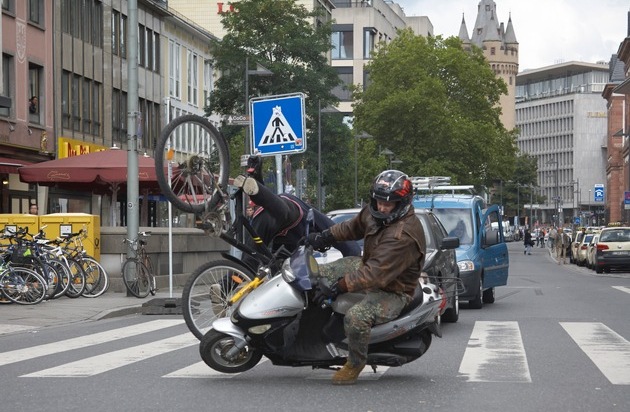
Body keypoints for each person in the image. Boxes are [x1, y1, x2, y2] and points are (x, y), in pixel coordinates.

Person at [307, 170, 426, 385]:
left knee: (356, 317)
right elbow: (352, 227)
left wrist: (338, 287)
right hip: (368, 268)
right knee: (320, 272)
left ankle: (355, 362)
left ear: (402, 203)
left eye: (388, 204)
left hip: (393, 290)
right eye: (378, 201)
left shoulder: (403, 235)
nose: (381, 207)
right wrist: (324, 236)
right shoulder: (375, 213)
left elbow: (375, 274)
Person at [232, 156, 361, 270]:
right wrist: (346, 274)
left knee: (248, 266)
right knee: (285, 213)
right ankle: (258, 188)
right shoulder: (321, 225)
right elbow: (352, 248)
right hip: (290, 213)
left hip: (273, 227)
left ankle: (222, 287)